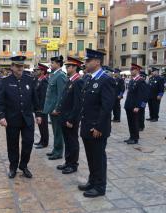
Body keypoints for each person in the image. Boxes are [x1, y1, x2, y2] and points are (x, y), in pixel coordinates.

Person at [0, 56, 42, 179]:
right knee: (12, 144)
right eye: (17, 66)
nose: (20, 68)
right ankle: (13, 166)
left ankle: (24, 165)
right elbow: (0, 101)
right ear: (12, 67)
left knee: (28, 142)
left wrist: (38, 114)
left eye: (21, 66)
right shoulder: (5, 81)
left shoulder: (29, 80)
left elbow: (35, 99)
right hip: (12, 119)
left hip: (27, 119)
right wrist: (1, 116)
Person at [78, 49, 115, 198]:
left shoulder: (106, 80)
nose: (85, 63)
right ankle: (92, 181)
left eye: (88, 61)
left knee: (98, 157)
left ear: (97, 62)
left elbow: (107, 107)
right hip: (87, 125)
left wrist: (99, 126)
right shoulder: (89, 79)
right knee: (90, 157)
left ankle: (100, 187)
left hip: (97, 128)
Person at [55, 56, 84, 174]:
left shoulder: (78, 81)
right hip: (64, 117)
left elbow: (78, 104)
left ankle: (73, 164)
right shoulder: (70, 80)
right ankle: (68, 162)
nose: (67, 68)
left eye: (69, 66)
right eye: (67, 66)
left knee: (72, 141)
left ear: (75, 67)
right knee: (67, 141)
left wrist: (71, 119)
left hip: (70, 119)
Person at [43, 56, 68, 160]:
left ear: (58, 64)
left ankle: (58, 152)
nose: (50, 65)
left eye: (52, 63)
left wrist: (57, 108)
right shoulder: (54, 75)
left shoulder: (60, 76)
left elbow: (61, 94)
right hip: (51, 108)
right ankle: (55, 149)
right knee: (55, 130)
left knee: (58, 131)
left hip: (56, 110)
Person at [124, 64, 147, 145]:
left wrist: (138, 106)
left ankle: (135, 138)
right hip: (129, 105)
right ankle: (131, 137)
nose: (131, 71)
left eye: (132, 70)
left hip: (135, 106)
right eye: (131, 69)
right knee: (130, 122)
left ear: (137, 70)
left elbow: (142, 95)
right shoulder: (132, 80)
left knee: (134, 122)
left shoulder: (141, 81)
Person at [34, 63, 49, 149]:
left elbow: (43, 97)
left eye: (38, 70)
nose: (36, 71)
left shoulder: (44, 81)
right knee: (40, 125)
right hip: (38, 107)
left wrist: (40, 109)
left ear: (43, 71)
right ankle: (41, 140)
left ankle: (44, 142)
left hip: (42, 107)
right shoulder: (39, 80)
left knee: (44, 125)